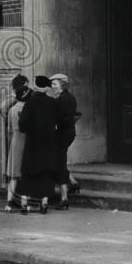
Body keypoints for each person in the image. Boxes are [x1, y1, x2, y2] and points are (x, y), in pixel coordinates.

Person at [17, 75, 58, 214]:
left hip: (32, 143)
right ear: (47, 88)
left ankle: (24, 202)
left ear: (35, 86)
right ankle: (44, 203)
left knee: (28, 173)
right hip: (48, 144)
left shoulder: (30, 103)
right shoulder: (52, 103)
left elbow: (22, 125)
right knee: (45, 174)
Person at [50, 72, 80, 209]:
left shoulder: (59, 100)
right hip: (69, 133)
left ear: (62, 84)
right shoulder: (71, 97)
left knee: (59, 163)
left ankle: (64, 198)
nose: (52, 86)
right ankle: (73, 182)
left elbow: (57, 119)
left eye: (55, 84)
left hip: (61, 134)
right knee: (59, 160)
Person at [0, 74, 29, 212]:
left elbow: (3, 110)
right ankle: (24, 203)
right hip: (24, 139)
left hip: (14, 139)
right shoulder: (23, 104)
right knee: (23, 173)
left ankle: (9, 203)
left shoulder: (12, 106)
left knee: (13, 174)